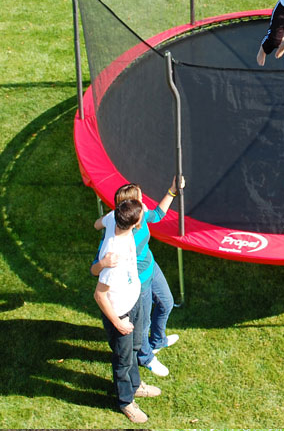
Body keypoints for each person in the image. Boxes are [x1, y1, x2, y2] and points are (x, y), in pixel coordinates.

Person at [91, 177, 183, 379]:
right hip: (137, 283)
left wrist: (172, 190)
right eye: (141, 201)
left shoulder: (140, 218)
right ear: (132, 210)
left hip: (152, 268)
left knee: (166, 303)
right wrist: (104, 262)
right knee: (142, 325)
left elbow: (158, 214)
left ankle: (158, 341)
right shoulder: (117, 239)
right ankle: (146, 357)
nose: (145, 204)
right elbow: (94, 270)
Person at [93, 198, 161, 424]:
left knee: (134, 348)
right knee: (122, 360)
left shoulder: (115, 217)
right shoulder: (114, 260)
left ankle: (135, 385)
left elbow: (96, 224)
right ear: (134, 222)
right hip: (120, 312)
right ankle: (126, 402)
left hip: (134, 301)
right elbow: (99, 295)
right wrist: (118, 322)